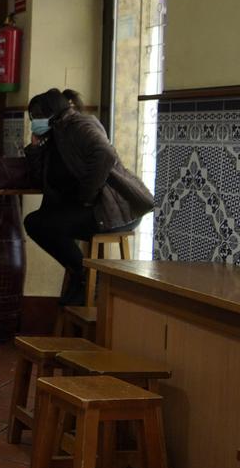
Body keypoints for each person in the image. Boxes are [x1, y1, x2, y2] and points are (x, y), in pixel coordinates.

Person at [22, 88, 155, 306]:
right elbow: (40, 180)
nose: (34, 122)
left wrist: (86, 196)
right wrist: (35, 149)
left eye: (37, 117)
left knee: (39, 224)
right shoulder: (54, 135)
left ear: (52, 114)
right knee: (41, 220)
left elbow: (105, 154)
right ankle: (82, 275)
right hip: (90, 208)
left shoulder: (79, 125)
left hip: (113, 211)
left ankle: (86, 275)